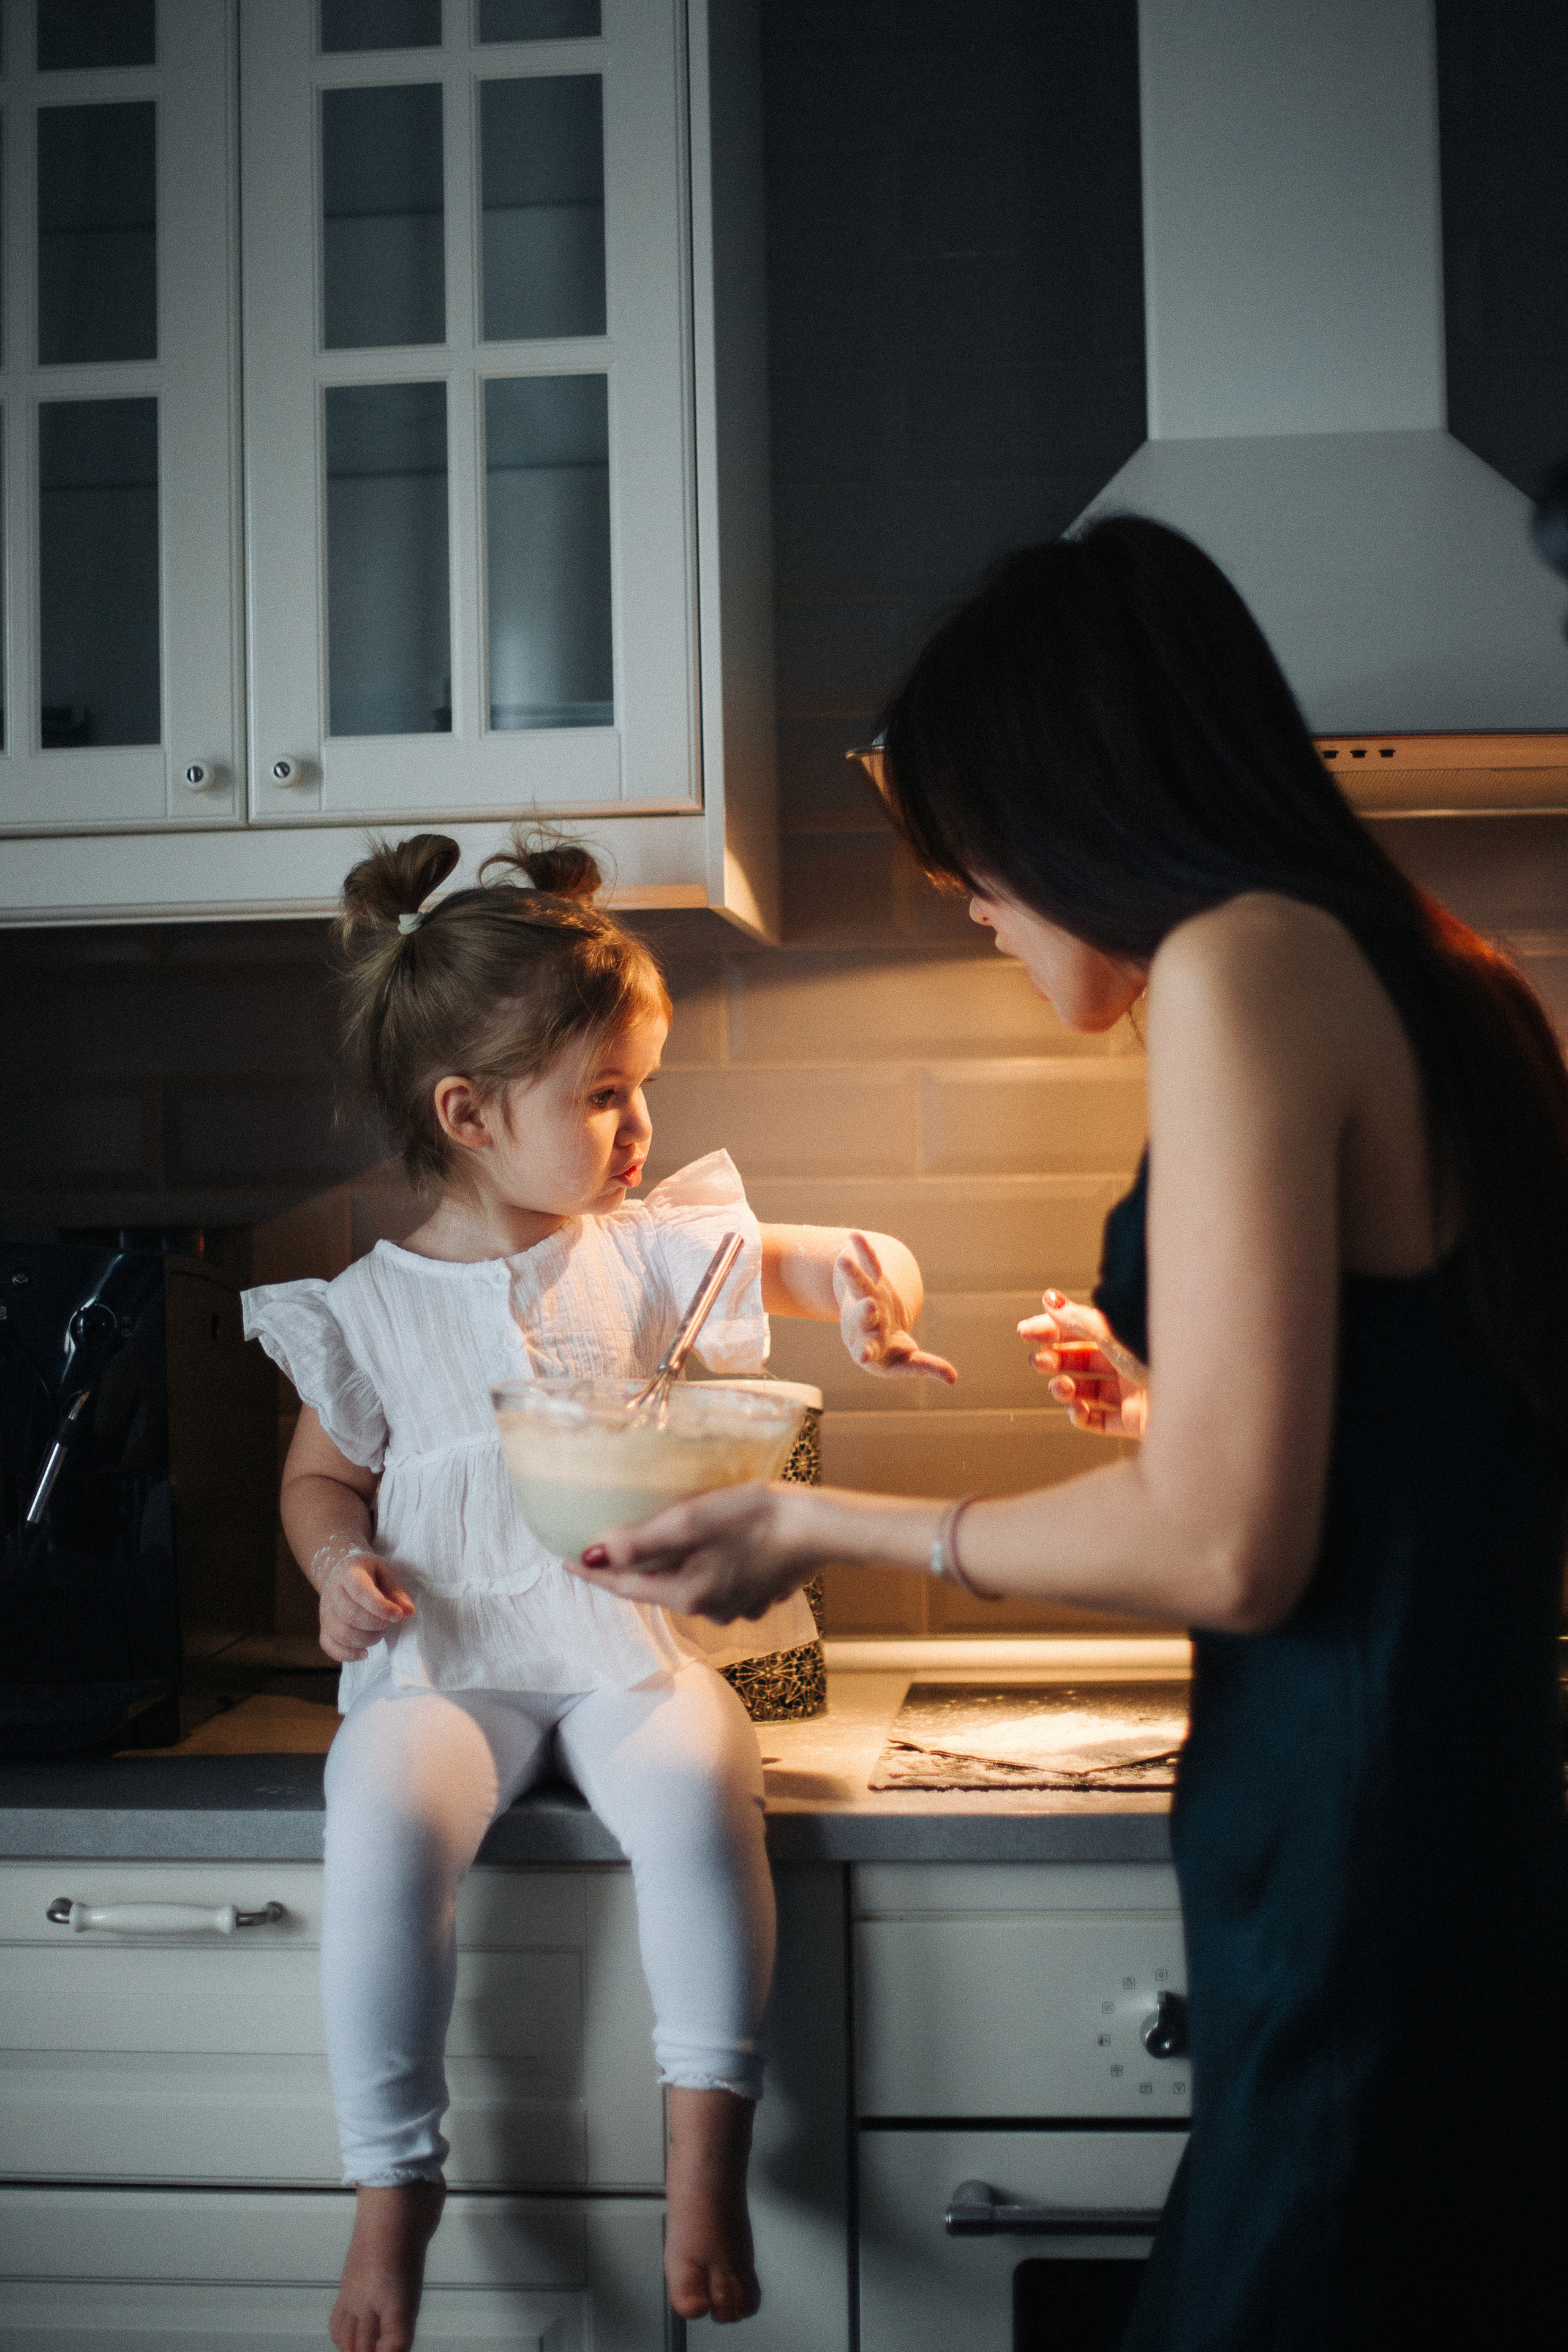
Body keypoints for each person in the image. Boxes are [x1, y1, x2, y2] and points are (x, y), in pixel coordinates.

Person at [571, 517, 1568, 2349]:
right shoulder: (1454, 980)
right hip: (1451, 1844)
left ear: (1078, 794)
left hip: (1352, 1866)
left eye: (969, 852)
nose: (964, 893)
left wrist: (819, 1526)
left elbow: (1227, 1551)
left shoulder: (1241, 963)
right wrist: (1178, 1406)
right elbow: (1406, 1457)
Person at [242, 831, 956, 2352]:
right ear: (471, 1116)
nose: (640, 1126)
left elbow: (834, 1253)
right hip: (447, 1656)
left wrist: (866, 1287)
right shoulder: (365, 1308)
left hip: (626, 1644)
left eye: (641, 1086)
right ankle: (392, 2186)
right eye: (605, 1095)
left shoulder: (638, 1256)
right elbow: (319, 1484)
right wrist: (332, 1568)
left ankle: (703, 2152)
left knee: (706, 1784)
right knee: (377, 1819)